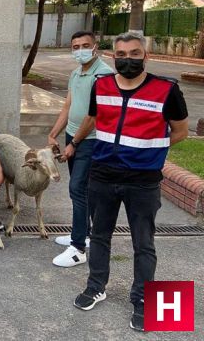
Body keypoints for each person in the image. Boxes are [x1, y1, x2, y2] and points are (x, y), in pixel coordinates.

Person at [70, 32, 188, 332]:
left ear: (145, 56)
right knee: (99, 236)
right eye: (121, 54)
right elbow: (94, 119)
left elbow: (180, 131)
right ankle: (96, 285)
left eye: (134, 54)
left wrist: (148, 152)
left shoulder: (167, 90)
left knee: (143, 243)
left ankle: (144, 300)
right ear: (112, 56)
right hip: (103, 175)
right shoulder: (102, 85)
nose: (128, 59)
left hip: (143, 181)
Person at [47, 31, 113, 268]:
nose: (80, 50)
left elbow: (93, 116)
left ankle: (78, 248)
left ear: (95, 47)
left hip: (90, 140)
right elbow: (68, 105)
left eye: (85, 45)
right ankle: (83, 232)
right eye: (76, 46)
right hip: (73, 135)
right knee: (79, 188)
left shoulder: (103, 75)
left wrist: (73, 144)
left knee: (78, 188)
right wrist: (54, 133)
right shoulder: (76, 73)